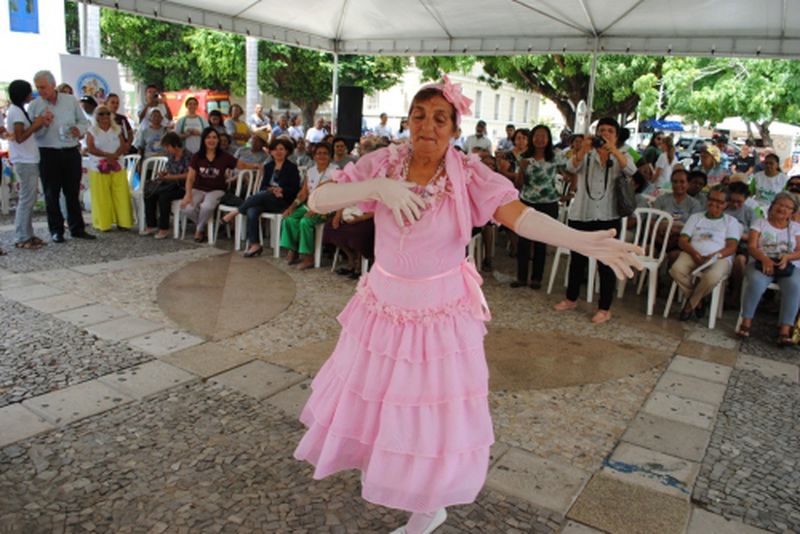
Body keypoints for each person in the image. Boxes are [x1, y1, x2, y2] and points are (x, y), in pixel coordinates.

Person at [293, 77, 641, 534]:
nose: (428, 127)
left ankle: (428, 507)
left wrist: (579, 240)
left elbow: (521, 217)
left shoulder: (470, 174)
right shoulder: (386, 161)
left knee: (431, 412)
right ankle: (392, 475)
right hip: (383, 305)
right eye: (419, 116)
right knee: (380, 402)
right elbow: (319, 199)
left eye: (440, 119)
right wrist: (379, 186)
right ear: (408, 122)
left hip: (439, 313)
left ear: (455, 130)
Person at [553, 117, 636, 324]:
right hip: (582, 214)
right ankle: (571, 298)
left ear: (616, 136)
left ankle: (604, 308)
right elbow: (570, 168)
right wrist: (584, 148)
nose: (605, 134)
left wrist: (613, 150)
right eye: (602, 130)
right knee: (577, 261)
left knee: (606, 264)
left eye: (610, 131)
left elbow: (631, 170)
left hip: (608, 217)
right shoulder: (586, 154)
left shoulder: (622, 155)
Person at [29, 70, 95, 243]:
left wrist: (78, 130)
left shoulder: (70, 100)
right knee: (52, 194)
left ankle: (77, 228)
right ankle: (56, 230)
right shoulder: (35, 105)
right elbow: (33, 133)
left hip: (70, 150)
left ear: (52, 84)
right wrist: (42, 124)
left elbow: (84, 122)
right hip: (48, 152)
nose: (41, 90)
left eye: (43, 87)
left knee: (72, 192)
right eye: (37, 87)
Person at [668, 185, 741, 321]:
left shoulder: (731, 222)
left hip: (719, 257)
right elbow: (682, 241)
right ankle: (698, 301)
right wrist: (694, 253)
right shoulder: (696, 217)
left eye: (720, 202)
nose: (714, 204)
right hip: (692, 253)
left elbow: (732, 247)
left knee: (711, 277)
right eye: (712, 200)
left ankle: (690, 305)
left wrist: (715, 255)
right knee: (676, 270)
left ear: (726, 204)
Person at [737, 191, 800, 344]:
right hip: (760, 262)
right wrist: (765, 259)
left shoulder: (796, 228)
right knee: (756, 282)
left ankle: (785, 330)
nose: (782, 209)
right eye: (780, 204)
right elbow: (752, 246)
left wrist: (787, 257)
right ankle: (746, 322)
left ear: (792, 212)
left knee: (795, 286)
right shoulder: (760, 223)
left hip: (787, 265)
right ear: (772, 206)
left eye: (787, 207)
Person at [221, 137, 301, 256]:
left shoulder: (292, 168)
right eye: (275, 149)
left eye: (281, 149)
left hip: (283, 201)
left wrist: (282, 190)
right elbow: (263, 186)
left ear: (287, 151)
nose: (278, 152)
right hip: (267, 198)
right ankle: (255, 245)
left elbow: (295, 189)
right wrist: (271, 189)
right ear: (271, 152)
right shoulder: (268, 166)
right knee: (252, 210)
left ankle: (236, 212)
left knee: (262, 196)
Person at [179, 128, 257, 242]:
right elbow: (190, 178)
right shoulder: (197, 156)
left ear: (218, 140)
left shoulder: (224, 156)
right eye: (208, 137)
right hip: (199, 188)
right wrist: (188, 194)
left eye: (214, 137)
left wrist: (255, 166)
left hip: (216, 189)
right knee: (186, 208)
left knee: (207, 207)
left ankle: (199, 230)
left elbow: (241, 165)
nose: (211, 140)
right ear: (203, 140)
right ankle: (202, 226)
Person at [513, 125, 563, 289]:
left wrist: (568, 191)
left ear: (548, 139)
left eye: (543, 136)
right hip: (527, 202)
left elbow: (570, 172)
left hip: (548, 204)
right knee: (524, 241)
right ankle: (521, 277)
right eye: (536, 136)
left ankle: (537, 278)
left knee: (541, 242)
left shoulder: (555, 156)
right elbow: (519, 184)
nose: (540, 139)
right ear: (531, 138)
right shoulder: (524, 157)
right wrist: (522, 169)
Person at [7, 80, 48, 250]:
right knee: (26, 199)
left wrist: (39, 124)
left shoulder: (18, 111)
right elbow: (20, 137)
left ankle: (28, 233)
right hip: (24, 160)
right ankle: (22, 236)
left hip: (28, 158)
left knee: (30, 198)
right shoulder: (16, 112)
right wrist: (36, 125)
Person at [280, 143, 336, 269]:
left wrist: (316, 209)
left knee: (305, 221)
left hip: (326, 207)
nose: (321, 156)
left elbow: (335, 194)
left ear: (330, 156)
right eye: (318, 153)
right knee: (289, 218)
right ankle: (293, 250)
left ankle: (308, 257)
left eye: (325, 153)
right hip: (309, 204)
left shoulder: (335, 171)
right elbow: (303, 193)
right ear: (314, 156)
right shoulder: (311, 171)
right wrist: (291, 207)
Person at [85, 105, 133, 231]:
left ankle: (123, 222)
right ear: (96, 116)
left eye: (107, 113)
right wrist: (106, 156)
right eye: (101, 114)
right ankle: (103, 223)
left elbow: (123, 145)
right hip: (98, 166)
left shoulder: (116, 129)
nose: (105, 116)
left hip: (117, 165)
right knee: (101, 196)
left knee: (121, 194)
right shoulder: (92, 130)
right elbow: (90, 148)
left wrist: (115, 156)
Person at [142, 132, 190, 239]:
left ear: (174, 145)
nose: (166, 150)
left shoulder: (187, 156)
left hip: (183, 186)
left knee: (164, 197)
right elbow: (169, 170)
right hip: (171, 184)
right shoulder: (171, 156)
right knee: (150, 192)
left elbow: (189, 175)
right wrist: (164, 174)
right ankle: (151, 224)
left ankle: (164, 228)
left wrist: (171, 177)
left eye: (167, 147)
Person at [653, 168, 703, 255]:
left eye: (682, 182)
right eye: (675, 182)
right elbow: (652, 222)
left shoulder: (695, 204)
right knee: (646, 251)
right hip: (658, 240)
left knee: (674, 256)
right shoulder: (661, 200)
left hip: (680, 244)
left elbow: (693, 229)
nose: (678, 185)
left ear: (688, 184)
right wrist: (660, 240)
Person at [749, 152, 788, 217]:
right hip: (757, 208)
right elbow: (749, 193)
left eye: (771, 163)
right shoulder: (757, 176)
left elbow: (786, 198)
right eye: (766, 163)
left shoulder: (784, 179)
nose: (768, 165)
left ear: (777, 165)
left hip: (775, 210)